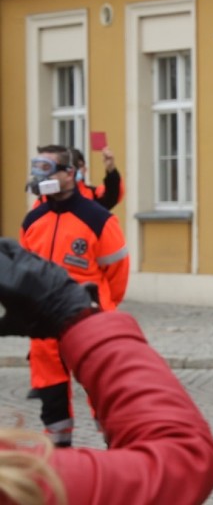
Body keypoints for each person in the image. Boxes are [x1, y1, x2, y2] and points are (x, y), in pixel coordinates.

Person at [0, 238, 213, 505]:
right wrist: (80, 314)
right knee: (55, 412)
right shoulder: (20, 482)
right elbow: (184, 463)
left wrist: (106, 302)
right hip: (70, 331)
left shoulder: (95, 217)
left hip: (66, 331)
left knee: (92, 412)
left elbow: (117, 268)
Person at [20, 145, 129, 448]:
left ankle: (118, 459)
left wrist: (103, 308)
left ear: (71, 173)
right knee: (52, 402)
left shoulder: (99, 219)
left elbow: (117, 274)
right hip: (45, 329)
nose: (41, 175)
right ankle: (60, 465)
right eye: (38, 168)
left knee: (102, 391)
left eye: (48, 168)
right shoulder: (33, 220)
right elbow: (25, 272)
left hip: (88, 323)